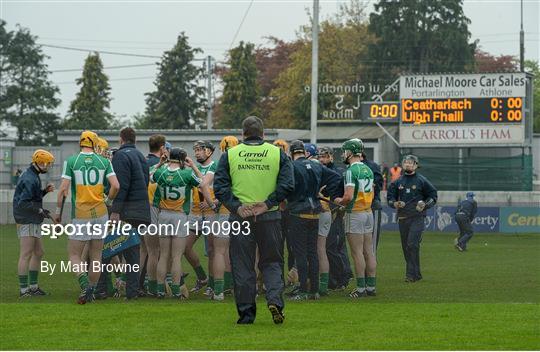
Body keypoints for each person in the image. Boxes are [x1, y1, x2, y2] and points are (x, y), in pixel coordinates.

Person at [214, 116, 294, 325]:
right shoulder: (277, 153)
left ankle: (246, 313)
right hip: (270, 216)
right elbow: (288, 184)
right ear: (263, 134)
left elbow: (220, 187)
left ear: (242, 134)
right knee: (272, 262)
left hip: (241, 217)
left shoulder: (230, 154)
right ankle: (275, 300)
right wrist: (268, 203)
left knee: (242, 264)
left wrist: (237, 207)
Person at [54, 131, 119, 304]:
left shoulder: (72, 161)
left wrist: (57, 212)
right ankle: (91, 290)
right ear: (95, 143)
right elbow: (115, 186)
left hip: (81, 214)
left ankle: (84, 285)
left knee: (74, 255)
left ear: (81, 142)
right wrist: (108, 199)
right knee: (96, 255)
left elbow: (62, 190)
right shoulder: (104, 161)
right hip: (101, 213)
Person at [152, 147, 214, 299]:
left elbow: (150, 175)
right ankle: (176, 290)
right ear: (182, 159)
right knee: (176, 257)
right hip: (179, 216)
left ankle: (160, 290)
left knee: (164, 255)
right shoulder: (186, 173)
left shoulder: (160, 172)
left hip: (163, 215)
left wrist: (160, 164)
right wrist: (193, 166)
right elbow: (203, 183)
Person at [286, 141, 341, 300]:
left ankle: (303, 290)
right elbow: (336, 177)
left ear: (291, 153)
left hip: (299, 213)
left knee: (301, 254)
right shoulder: (316, 165)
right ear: (304, 152)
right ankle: (314, 290)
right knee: (313, 253)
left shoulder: (292, 166)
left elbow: (286, 186)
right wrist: (323, 191)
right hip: (315, 213)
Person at [109, 127, 151, 299]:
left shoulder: (120, 156)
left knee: (110, 247)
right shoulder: (140, 156)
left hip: (128, 210)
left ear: (121, 139)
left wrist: (115, 211)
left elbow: (122, 185)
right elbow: (146, 181)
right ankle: (132, 291)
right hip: (142, 210)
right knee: (133, 253)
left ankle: (104, 288)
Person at [334, 139, 377, 298]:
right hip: (368, 213)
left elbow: (348, 196)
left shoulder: (351, 171)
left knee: (357, 253)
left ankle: (360, 289)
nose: (344, 154)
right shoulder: (369, 169)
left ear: (350, 152)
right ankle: (371, 287)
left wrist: (340, 201)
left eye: (345, 151)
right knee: (369, 251)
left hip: (356, 214)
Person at [387, 155, 437, 283]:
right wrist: (395, 204)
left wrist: (425, 205)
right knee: (406, 247)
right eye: (406, 162)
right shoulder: (397, 182)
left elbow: (433, 196)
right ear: (403, 165)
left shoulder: (422, 180)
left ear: (416, 165)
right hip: (403, 218)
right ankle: (416, 274)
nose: (408, 164)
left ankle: (410, 275)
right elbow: (390, 198)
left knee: (412, 244)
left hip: (417, 217)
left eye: (411, 162)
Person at [13, 149, 55, 297]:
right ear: (40, 163)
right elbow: (23, 203)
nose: (48, 167)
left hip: (31, 219)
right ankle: (24, 290)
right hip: (27, 220)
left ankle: (33, 287)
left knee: (38, 252)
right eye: (47, 164)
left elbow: (32, 197)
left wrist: (45, 191)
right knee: (26, 254)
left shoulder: (32, 175)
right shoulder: (30, 178)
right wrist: (40, 211)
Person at [318, 147, 352, 290]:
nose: (322, 159)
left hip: (334, 213)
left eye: (325, 156)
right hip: (324, 212)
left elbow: (340, 195)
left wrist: (337, 211)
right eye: (320, 156)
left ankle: (342, 278)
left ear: (331, 157)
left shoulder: (337, 173)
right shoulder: (320, 171)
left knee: (332, 247)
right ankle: (336, 278)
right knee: (332, 247)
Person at [142, 134, 168, 297]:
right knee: (164, 252)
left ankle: (148, 285)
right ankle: (164, 285)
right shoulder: (165, 165)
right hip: (162, 209)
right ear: (162, 147)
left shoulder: (143, 163)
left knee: (147, 250)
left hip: (145, 209)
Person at [361, 152, 383, 255]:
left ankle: (370, 271)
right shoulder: (352, 166)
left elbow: (378, 184)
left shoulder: (372, 166)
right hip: (358, 208)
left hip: (372, 205)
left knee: (371, 244)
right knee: (359, 244)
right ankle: (362, 270)